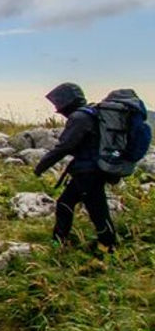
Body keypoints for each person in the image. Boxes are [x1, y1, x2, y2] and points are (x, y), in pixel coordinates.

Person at [32, 83, 118, 250]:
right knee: (66, 203)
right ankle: (59, 241)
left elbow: (65, 146)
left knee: (97, 211)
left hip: (88, 172)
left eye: (58, 104)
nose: (57, 108)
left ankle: (109, 247)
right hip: (89, 171)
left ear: (66, 101)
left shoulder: (79, 118)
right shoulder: (91, 114)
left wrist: (41, 166)